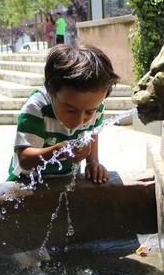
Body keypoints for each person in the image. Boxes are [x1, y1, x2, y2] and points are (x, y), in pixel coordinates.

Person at [7, 44, 120, 184]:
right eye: (70, 110)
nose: (80, 120)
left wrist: (93, 162)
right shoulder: (37, 109)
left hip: (65, 181)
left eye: (89, 112)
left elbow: (92, 133)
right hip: (26, 184)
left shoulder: (96, 107)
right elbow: (24, 159)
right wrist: (58, 150)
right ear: (51, 91)